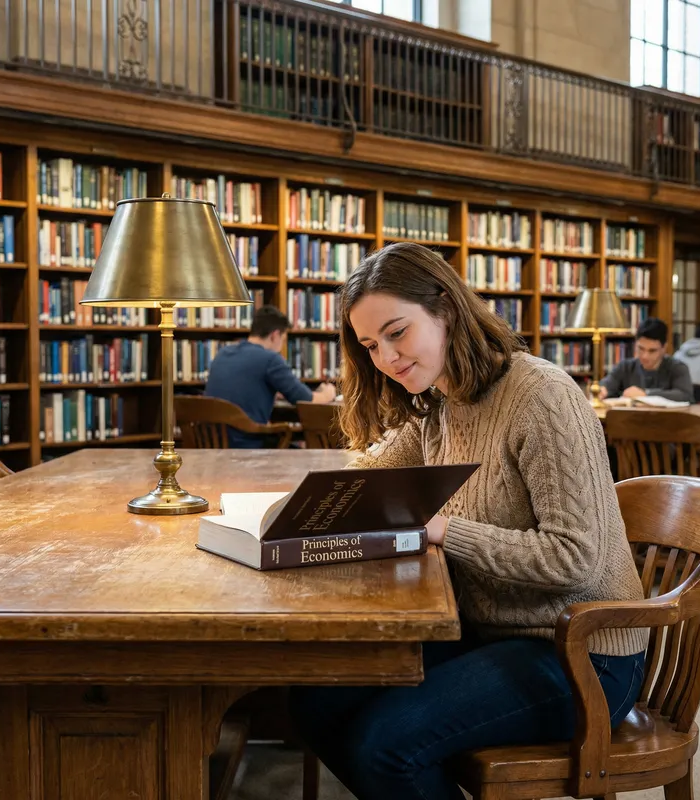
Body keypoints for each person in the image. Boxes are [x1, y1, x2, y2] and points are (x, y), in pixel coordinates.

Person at [288, 242, 647, 800]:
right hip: (486, 631)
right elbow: (373, 476)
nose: (384, 357)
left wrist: (440, 529)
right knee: (313, 700)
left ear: (446, 310)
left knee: (385, 745)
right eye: (369, 345)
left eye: (397, 332)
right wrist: (297, 504)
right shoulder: (439, 402)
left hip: (580, 653)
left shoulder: (543, 396)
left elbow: (576, 559)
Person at [204, 305, 336, 448]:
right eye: (284, 339)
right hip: (247, 446)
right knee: (308, 455)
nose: (282, 345)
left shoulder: (223, 353)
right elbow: (307, 400)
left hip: (213, 444)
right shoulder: (270, 359)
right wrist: (328, 393)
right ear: (275, 335)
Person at [599, 317, 694, 403]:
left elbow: (685, 395)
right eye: (641, 348)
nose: (645, 356)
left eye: (652, 351)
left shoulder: (677, 368)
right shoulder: (625, 367)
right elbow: (608, 383)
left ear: (664, 348)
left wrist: (646, 394)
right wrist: (602, 389)